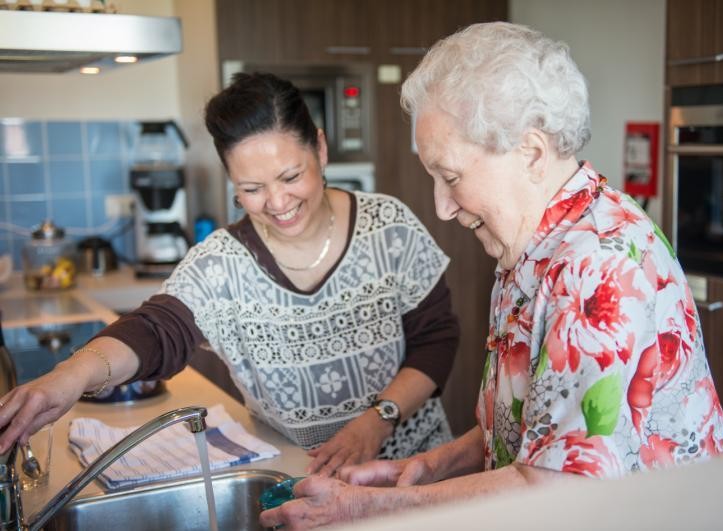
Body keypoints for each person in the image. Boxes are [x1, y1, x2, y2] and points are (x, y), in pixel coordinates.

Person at [258, 21, 723, 529]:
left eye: (451, 177)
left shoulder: (597, 267)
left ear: (531, 153)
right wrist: (432, 466)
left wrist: (366, 506)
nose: (442, 206)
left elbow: (561, 486)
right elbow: (537, 425)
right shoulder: (536, 243)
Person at [0, 72, 460, 476]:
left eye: (290, 177)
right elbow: (156, 330)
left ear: (319, 149)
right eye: (252, 188)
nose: (277, 203)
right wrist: (71, 375)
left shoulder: (388, 227)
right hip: (307, 479)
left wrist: (378, 420)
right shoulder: (222, 263)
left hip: (417, 470)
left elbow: (436, 338)